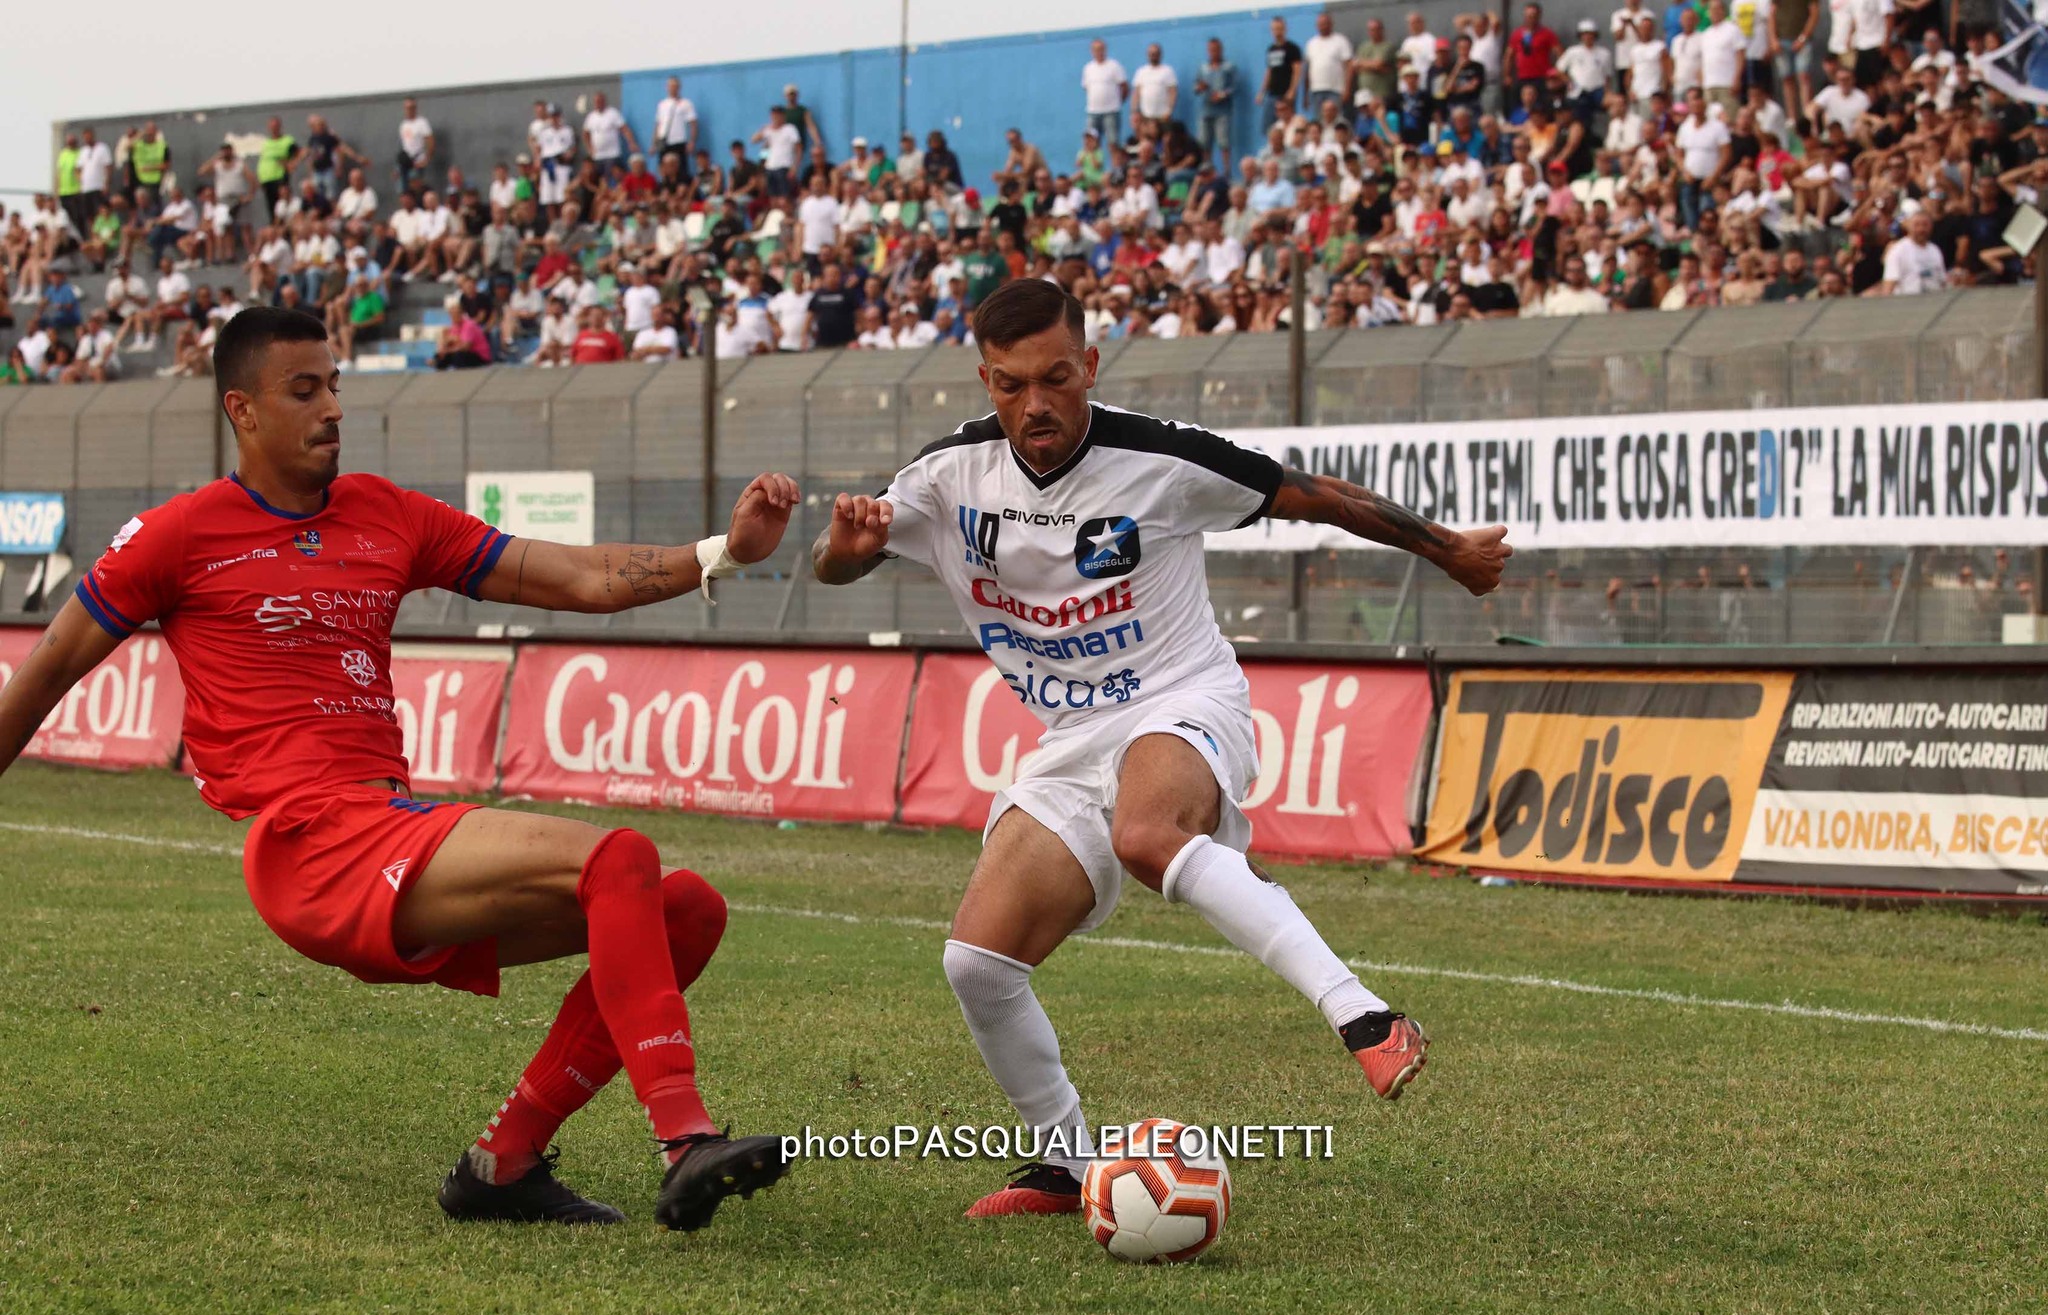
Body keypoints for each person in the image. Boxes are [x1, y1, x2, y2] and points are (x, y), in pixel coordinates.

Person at [0, 307, 799, 1230]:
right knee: (614, 856)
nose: (332, 406)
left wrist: (721, 553)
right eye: (304, 390)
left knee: (683, 909)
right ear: (243, 411)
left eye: (336, 384)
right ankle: (685, 1139)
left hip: (386, 830)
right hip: (307, 848)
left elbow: (574, 577)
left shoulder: (387, 513)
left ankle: (501, 1166)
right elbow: (50, 667)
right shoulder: (178, 535)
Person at [811, 280, 1510, 1217]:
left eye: (1057, 378)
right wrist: (842, 546)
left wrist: (1449, 551)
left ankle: (1365, 1015)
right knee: (976, 965)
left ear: (1088, 366)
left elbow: (1315, 497)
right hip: (1070, 740)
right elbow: (843, 560)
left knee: (1149, 834)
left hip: (1184, 698)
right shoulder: (948, 475)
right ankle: (1065, 1164)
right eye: (1013, 386)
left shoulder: (1162, 459)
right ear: (986, 380)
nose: (1037, 404)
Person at [1194, 38, 1239, 174]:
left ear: (1221, 50)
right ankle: (1208, 171)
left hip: (1223, 111)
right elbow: (1195, 87)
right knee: (1204, 143)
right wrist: (1200, 87)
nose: (1213, 52)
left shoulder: (1229, 67)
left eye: (1216, 50)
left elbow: (1235, 87)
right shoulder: (1203, 68)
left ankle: (1226, 171)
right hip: (1205, 110)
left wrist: (1222, 95)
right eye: (1211, 50)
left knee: (1224, 143)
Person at [1081, 40, 1130, 150]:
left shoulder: (1114, 66)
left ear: (1105, 49)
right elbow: (1087, 88)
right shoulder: (1088, 68)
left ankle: (1116, 167)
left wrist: (1117, 102)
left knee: (1113, 142)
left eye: (1101, 49)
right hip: (1093, 112)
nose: (1099, 52)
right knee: (1091, 143)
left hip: (1111, 112)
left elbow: (1125, 87)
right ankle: (1094, 167)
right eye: (1096, 49)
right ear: (1091, 51)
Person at [1263, 15, 1304, 128]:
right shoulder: (1271, 49)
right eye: (1275, 29)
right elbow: (1269, 71)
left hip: (1286, 94)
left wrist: (1292, 90)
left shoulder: (1292, 48)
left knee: (1288, 124)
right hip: (1272, 94)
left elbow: (1297, 71)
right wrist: (1262, 92)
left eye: (1280, 28)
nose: (1277, 32)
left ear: (1285, 29)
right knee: (1270, 126)